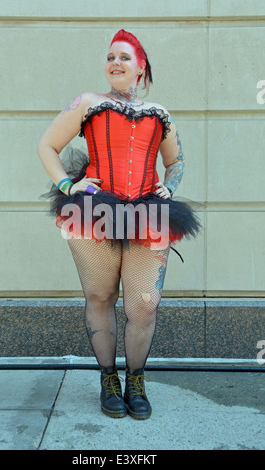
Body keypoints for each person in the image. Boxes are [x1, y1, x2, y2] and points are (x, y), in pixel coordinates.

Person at [37, 29, 200, 420]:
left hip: (147, 212)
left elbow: (176, 161)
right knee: (100, 298)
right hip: (94, 212)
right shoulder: (87, 103)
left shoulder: (159, 112)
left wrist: (169, 185)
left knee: (144, 304)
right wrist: (67, 184)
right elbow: (47, 146)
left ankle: (136, 380)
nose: (115, 62)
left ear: (140, 66)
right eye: (110, 56)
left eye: (125, 57)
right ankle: (108, 379)